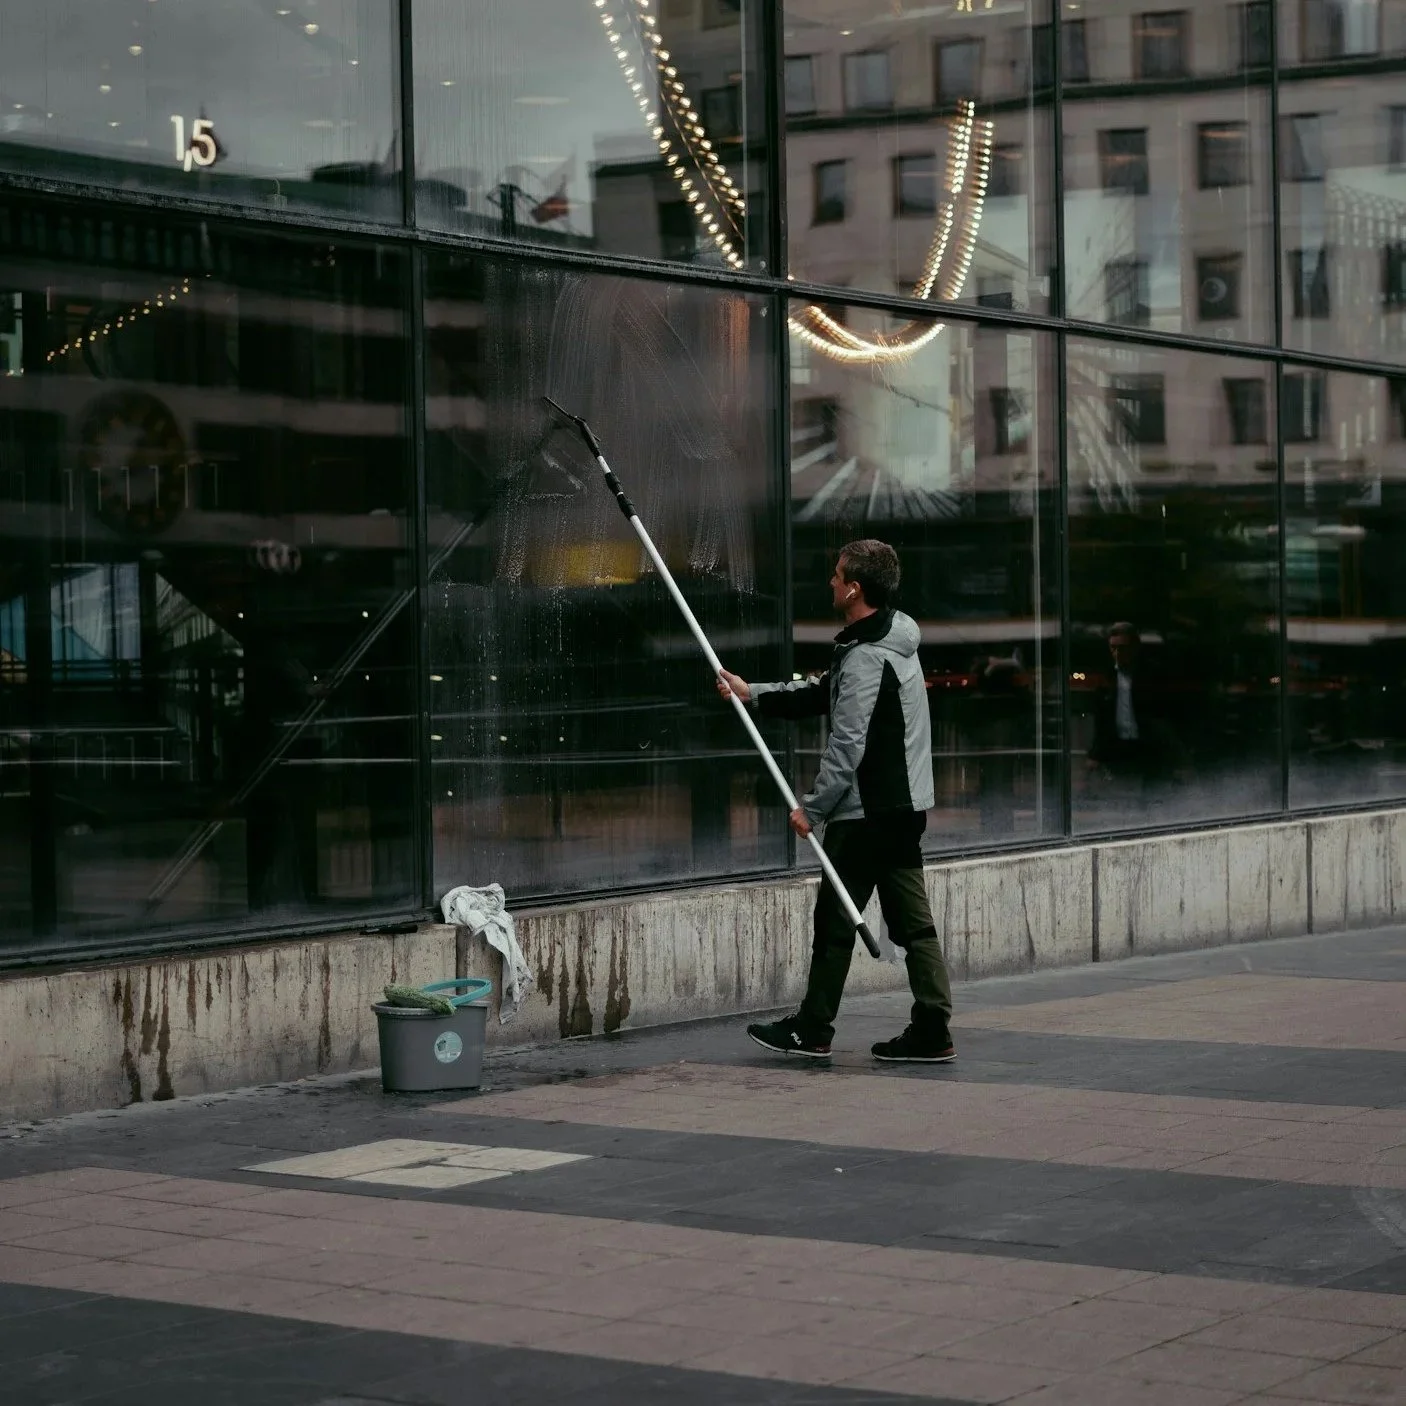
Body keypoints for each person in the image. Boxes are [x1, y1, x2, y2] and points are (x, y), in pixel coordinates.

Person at [717, 540, 955, 1063]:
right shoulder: (886, 640)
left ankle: (813, 1028)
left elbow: (848, 743)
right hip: (901, 810)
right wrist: (749, 692)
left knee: (833, 925)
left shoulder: (868, 656)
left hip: (865, 814)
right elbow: (821, 694)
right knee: (914, 925)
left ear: (855, 588)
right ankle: (933, 1029)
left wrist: (814, 808)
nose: (830, 581)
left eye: (837, 574)